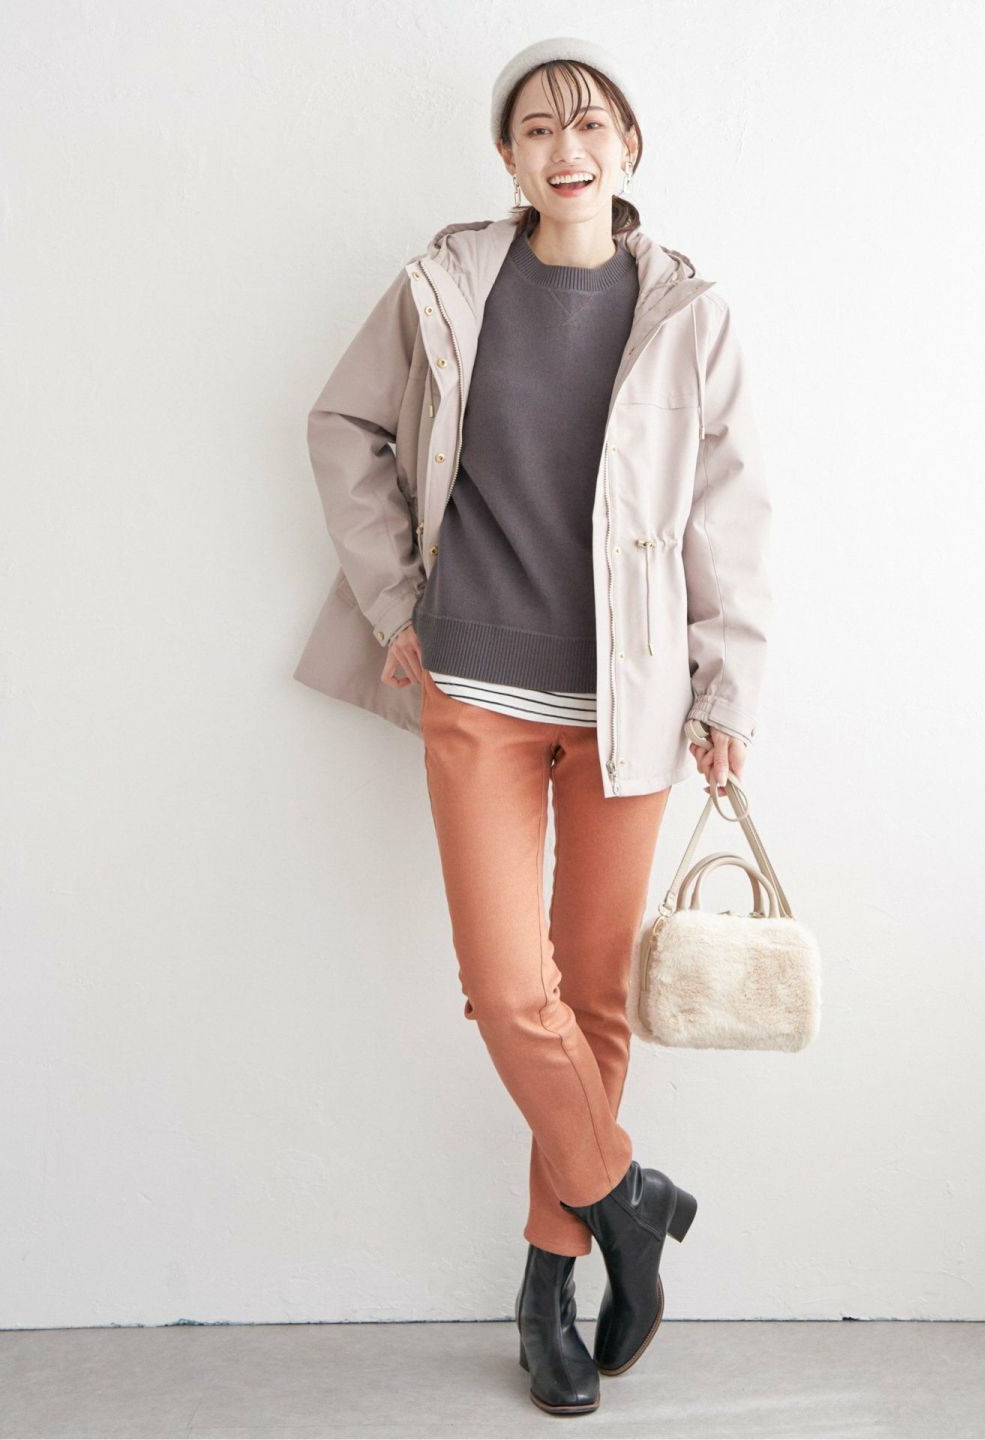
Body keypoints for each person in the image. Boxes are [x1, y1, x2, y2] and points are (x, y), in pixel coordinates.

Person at [295, 36, 774, 1418]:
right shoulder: (446, 285)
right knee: (511, 993)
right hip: (475, 690)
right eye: (537, 128)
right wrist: (395, 600)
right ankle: (627, 1195)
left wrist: (726, 687)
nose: (567, 147)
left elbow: (729, 510)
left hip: (631, 702)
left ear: (629, 143)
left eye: (590, 121)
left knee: (595, 996)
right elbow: (343, 427)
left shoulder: (689, 312)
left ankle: (548, 1286)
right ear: (506, 158)